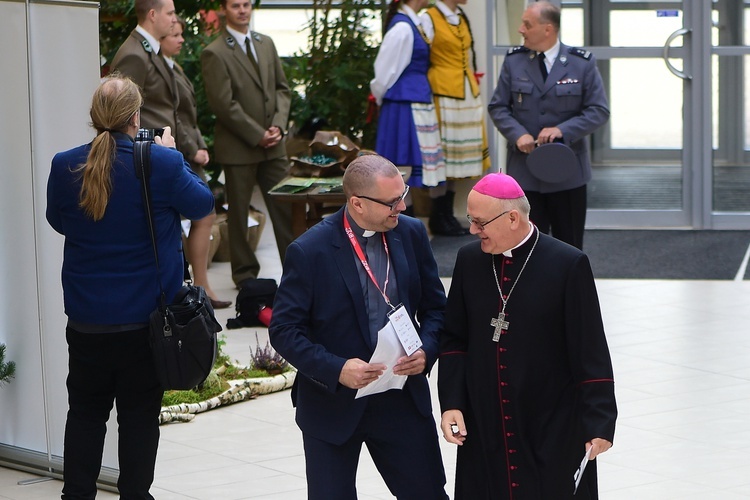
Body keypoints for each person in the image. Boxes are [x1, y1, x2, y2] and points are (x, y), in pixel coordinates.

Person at [46, 76, 215, 499]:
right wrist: (174, 155)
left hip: (87, 321)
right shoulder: (161, 163)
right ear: (136, 116)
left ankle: (77, 494)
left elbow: (59, 221)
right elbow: (202, 205)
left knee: (85, 413)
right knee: (139, 417)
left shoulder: (64, 164)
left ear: (93, 118)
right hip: (146, 322)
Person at [269, 154, 449, 499]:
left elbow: (437, 309)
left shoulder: (410, 234)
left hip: (400, 396)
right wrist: (336, 368)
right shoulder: (309, 251)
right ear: (358, 204)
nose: (403, 206)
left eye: (403, 195)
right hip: (334, 404)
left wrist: (426, 349)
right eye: (392, 202)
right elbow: (284, 331)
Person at [438, 172, 617, 499]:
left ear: (512, 218)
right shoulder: (468, 260)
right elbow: (454, 339)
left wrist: (600, 421)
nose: (472, 230)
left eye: (479, 222)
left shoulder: (568, 264)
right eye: (470, 220)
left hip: (551, 420)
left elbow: (589, 349)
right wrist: (452, 401)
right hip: (485, 417)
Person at [487, 1, 609, 250]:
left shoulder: (581, 63)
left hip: (568, 172)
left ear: (548, 29)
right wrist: (517, 134)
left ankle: (568, 291)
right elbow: (498, 107)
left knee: (570, 246)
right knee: (525, 246)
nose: (521, 29)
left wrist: (563, 130)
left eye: (527, 24)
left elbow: (598, 110)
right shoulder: (514, 61)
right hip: (525, 173)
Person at [201, 0, 294, 288]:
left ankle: (299, 270)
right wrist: (257, 134)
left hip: (274, 144)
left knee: (286, 209)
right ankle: (245, 278)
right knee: (239, 216)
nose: (242, 10)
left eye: (246, 4)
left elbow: (283, 88)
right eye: (235, 5)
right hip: (239, 146)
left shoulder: (265, 43)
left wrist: (277, 125)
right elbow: (223, 104)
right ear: (223, 10)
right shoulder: (214, 52)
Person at [161, 16, 231, 309]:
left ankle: (201, 282)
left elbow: (189, 117)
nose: (180, 39)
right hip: (177, 150)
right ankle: (198, 283)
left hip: (188, 148)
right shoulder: (162, 68)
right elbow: (174, 118)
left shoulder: (174, 67)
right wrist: (192, 150)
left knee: (205, 212)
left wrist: (200, 144)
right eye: (174, 35)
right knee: (203, 213)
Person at [371, 0, 447, 222]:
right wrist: (380, 97)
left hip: (415, 101)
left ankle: (407, 221)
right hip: (404, 105)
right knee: (402, 164)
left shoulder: (416, 23)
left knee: (408, 165)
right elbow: (384, 71)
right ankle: (403, 219)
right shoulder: (403, 27)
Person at [421, 0, 490, 236]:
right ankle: (437, 215)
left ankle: (446, 214)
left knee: (457, 159)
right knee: (443, 157)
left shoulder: (460, 15)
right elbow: (421, 57)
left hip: (465, 92)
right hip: (441, 92)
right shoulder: (428, 17)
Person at [111, 0, 182, 141]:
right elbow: (122, 117)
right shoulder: (134, 54)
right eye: (170, 13)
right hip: (146, 151)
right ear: (153, 15)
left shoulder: (151, 49)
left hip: (159, 148)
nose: (175, 19)